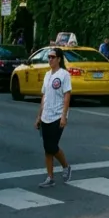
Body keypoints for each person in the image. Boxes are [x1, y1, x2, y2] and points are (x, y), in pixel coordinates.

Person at [36, 47, 73, 188]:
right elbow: (44, 96)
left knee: (52, 146)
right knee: (47, 148)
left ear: (58, 59)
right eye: (49, 57)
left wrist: (64, 116)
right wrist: (39, 115)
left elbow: (67, 95)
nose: (50, 59)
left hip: (57, 115)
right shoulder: (47, 75)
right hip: (46, 115)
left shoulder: (64, 75)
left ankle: (66, 166)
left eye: (52, 57)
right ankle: (50, 177)